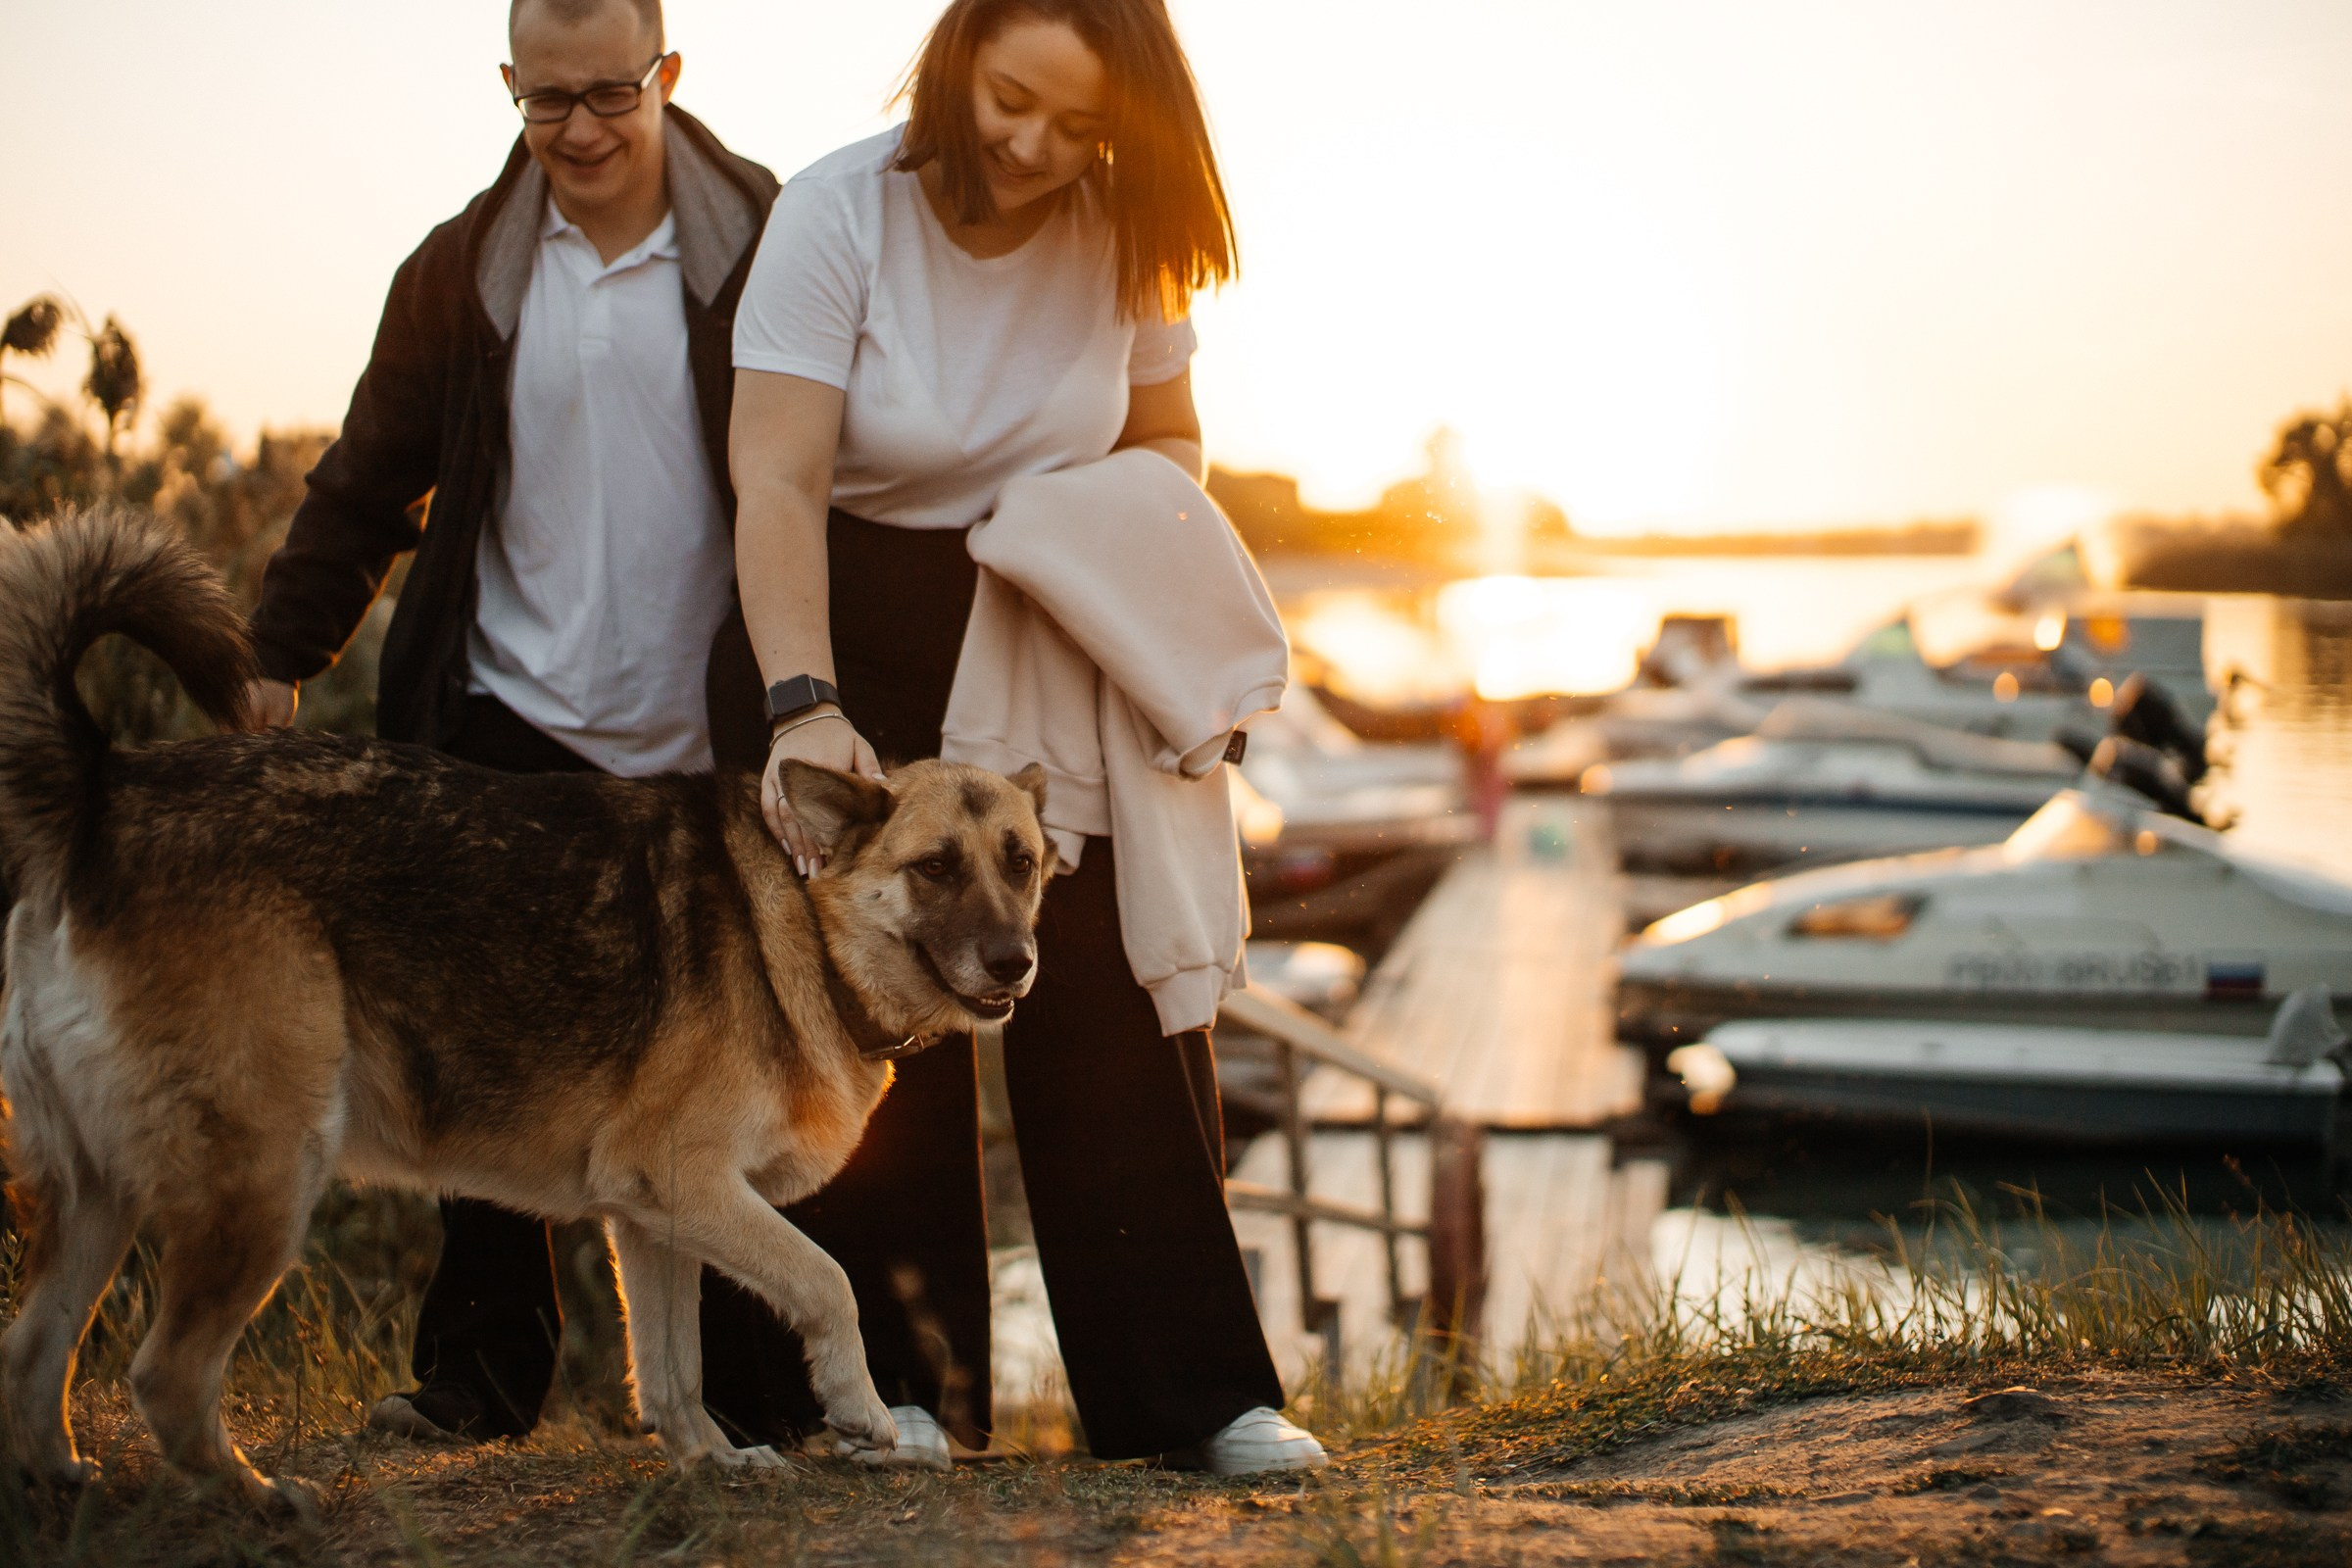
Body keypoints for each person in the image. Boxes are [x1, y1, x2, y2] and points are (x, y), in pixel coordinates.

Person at [726, 0, 1326, 1475]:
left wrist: (1093, 545)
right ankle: (896, 1393)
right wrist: (806, 698)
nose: (1036, 146)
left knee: (1105, 987)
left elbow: (1170, 440)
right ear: (957, 56)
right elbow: (779, 481)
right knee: (875, 1001)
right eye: (1013, 100)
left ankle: (1191, 1400)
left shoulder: (1130, 228)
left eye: (1081, 126)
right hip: (858, 618)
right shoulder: (832, 213)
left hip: (1052, 610)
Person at [243, 0, 794, 1445]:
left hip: (715, 744)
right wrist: (277, 649)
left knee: (729, 1086)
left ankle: (748, 1404)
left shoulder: (773, 246)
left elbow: (838, 474)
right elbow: (368, 478)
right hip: (511, 728)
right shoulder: (460, 269)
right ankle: (478, 1386)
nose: (582, 130)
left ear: (668, 75)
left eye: (611, 92)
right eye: (546, 102)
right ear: (508, 88)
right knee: (485, 1067)